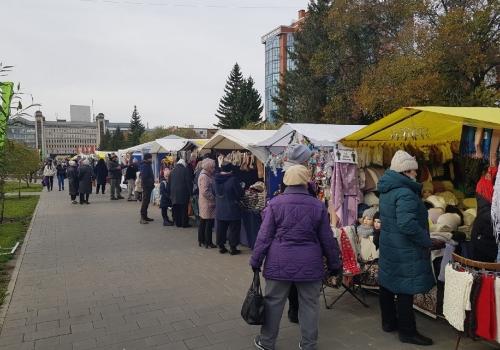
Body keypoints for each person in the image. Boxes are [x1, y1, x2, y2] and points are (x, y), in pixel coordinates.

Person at [250, 165, 340, 350]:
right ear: (306, 181)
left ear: (286, 182)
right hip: (310, 263)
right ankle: (308, 345)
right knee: (310, 304)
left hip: (278, 262)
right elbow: (327, 238)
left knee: (273, 302)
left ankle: (267, 342)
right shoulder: (317, 205)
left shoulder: (275, 203)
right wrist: (334, 263)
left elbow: (264, 235)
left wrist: (256, 261)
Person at [377, 150, 435, 346]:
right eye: (413, 170)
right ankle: (408, 332)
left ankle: (388, 322)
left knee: (387, 282)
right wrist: (427, 241)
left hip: (391, 245)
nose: (416, 174)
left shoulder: (388, 189)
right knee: (404, 289)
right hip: (405, 248)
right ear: (404, 172)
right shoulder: (405, 193)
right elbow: (407, 224)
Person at [280, 143, 313, 324]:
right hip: (303, 239)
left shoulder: (287, 176)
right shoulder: (299, 178)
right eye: (307, 157)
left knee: (293, 278)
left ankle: (295, 310)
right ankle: (298, 311)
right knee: (300, 280)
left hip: (288, 241)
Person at [211, 162, 245, 255]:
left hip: (220, 208)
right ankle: (233, 248)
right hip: (232, 208)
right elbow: (240, 193)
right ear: (230, 170)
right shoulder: (232, 180)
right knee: (234, 229)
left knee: (221, 229)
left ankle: (221, 246)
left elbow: (213, 192)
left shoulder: (215, 180)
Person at [471, 166, 498, 262]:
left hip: (494, 239)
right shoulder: (485, 185)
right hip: (484, 238)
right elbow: (484, 212)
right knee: (483, 273)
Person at [167, 159, 193, 228]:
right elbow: (188, 182)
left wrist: (169, 192)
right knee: (184, 208)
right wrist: (191, 193)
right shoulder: (185, 171)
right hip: (183, 192)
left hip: (174, 192)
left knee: (176, 208)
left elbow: (169, 183)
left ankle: (178, 223)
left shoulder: (172, 171)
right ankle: (184, 224)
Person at [197, 158, 217, 248]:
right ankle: (208, 242)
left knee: (203, 221)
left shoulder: (204, 174)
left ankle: (201, 240)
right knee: (208, 222)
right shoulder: (205, 176)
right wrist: (213, 198)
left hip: (204, 202)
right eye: (212, 167)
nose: (213, 169)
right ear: (208, 167)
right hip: (207, 202)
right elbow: (205, 191)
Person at [139, 152, 155, 224]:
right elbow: (145, 177)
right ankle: (142, 217)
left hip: (147, 185)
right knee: (145, 201)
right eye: (150, 158)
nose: (151, 159)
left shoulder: (147, 164)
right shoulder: (145, 165)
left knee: (147, 200)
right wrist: (149, 185)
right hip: (146, 186)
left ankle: (145, 216)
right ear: (148, 158)